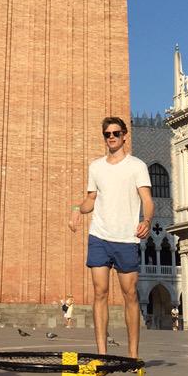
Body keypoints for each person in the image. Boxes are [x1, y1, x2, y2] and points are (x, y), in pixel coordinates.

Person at [69, 117, 153, 359]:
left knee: (130, 294)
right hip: (100, 235)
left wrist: (146, 221)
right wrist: (76, 210)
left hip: (127, 238)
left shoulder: (137, 166)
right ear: (104, 137)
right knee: (100, 292)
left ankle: (132, 355)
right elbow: (91, 199)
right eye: (107, 134)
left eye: (116, 133)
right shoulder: (96, 167)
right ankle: (102, 355)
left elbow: (147, 200)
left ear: (125, 135)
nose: (112, 137)